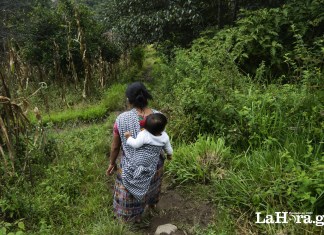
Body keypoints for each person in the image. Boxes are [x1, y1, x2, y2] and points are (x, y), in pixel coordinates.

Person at [106, 82, 170, 222]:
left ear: (129, 101)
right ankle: (151, 206)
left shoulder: (121, 119)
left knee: (128, 192)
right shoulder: (158, 116)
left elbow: (116, 147)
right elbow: (162, 139)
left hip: (131, 166)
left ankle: (133, 217)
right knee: (151, 186)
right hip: (154, 164)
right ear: (146, 97)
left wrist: (112, 163)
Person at [123, 113, 173, 201]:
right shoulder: (165, 137)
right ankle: (140, 190)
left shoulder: (144, 134)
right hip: (150, 163)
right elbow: (168, 149)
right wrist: (169, 155)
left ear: (145, 126)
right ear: (163, 128)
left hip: (138, 160)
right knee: (146, 177)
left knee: (129, 171)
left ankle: (131, 188)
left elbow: (135, 144)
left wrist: (128, 137)